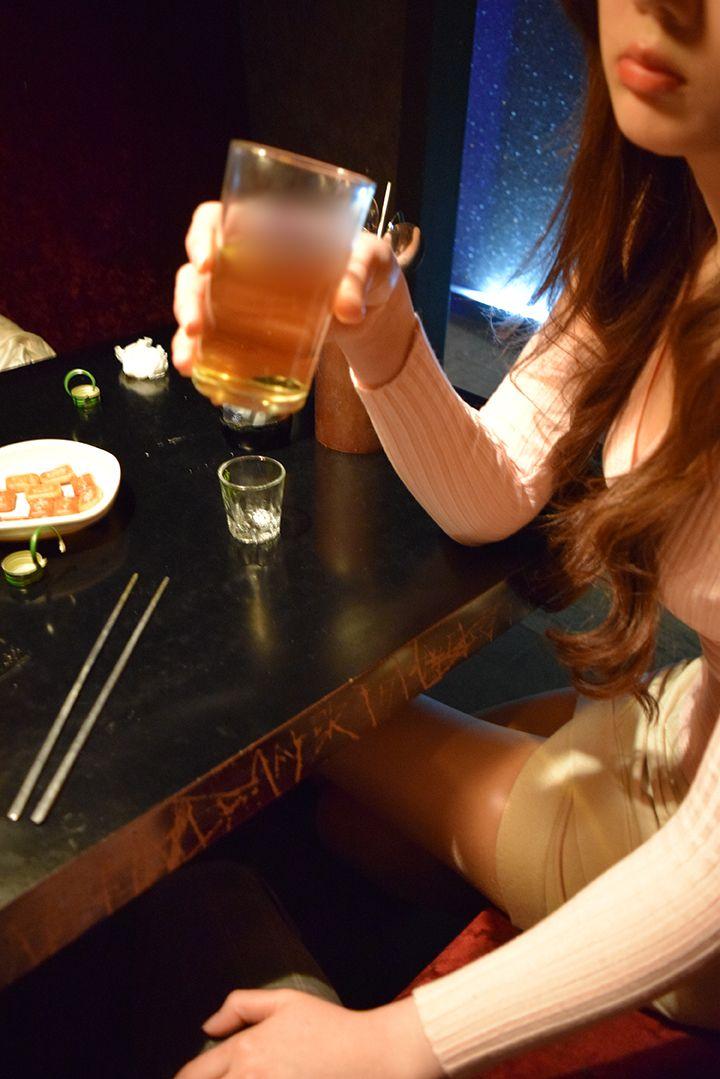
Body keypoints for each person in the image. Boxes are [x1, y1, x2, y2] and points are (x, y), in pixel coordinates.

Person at [171, 1, 720, 1075]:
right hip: (672, 723)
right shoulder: (668, 220)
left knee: (298, 734)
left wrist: (395, 1043)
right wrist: (378, 334)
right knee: (353, 829)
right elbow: (497, 490)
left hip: (697, 871)